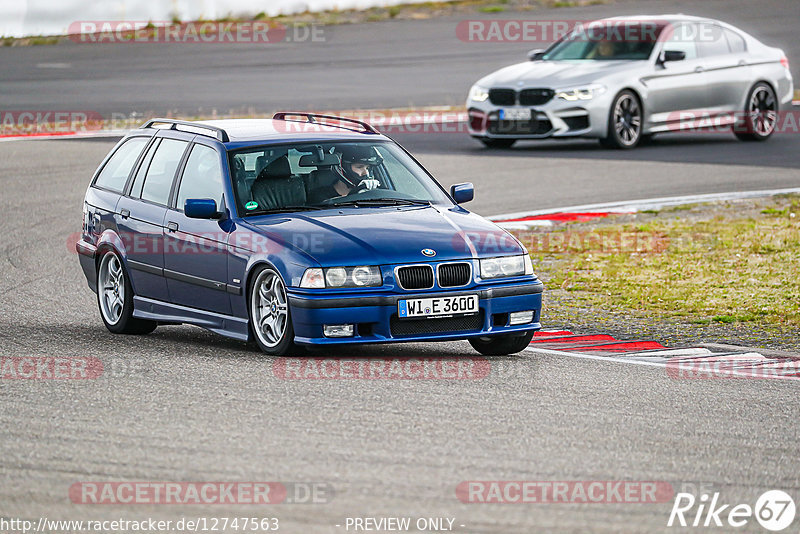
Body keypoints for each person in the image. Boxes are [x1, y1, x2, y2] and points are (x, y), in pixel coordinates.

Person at [307, 145, 383, 203]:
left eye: (368, 168)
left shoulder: (373, 193)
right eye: (359, 167)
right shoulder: (319, 196)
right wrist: (355, 194)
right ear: (342, 167)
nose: (366, 173)